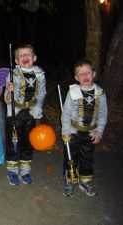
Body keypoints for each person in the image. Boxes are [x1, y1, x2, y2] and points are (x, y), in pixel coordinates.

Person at [61, 59, 108, 198]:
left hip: (90, 133)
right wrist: (66, 132)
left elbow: (103, 114)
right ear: (76, 77)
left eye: (88, 72)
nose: (85, 75)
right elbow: (66, 114)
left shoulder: (100, 93)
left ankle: (85, 181)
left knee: (87, 158)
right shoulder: (73, 93)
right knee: (70, 157)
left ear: (93, 74)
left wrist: (99, 132)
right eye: (81, 74)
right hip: (74, 132)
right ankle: (70, 180)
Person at [4, 44, 46, 185]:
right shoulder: (12, 74)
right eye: (21, 55)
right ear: (16, 61)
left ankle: (25, 170)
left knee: (28, 142)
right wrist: (10, 91)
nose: (25, 57)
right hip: (15, 113)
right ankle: (12, 170)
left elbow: (41, 95)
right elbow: (7, 99)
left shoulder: (39, 75)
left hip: (30, 113)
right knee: (13, 141)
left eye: (28, 54)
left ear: (34, 58)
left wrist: (37, 113)